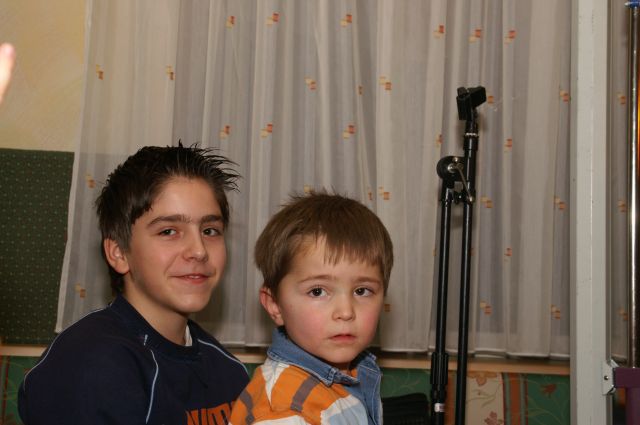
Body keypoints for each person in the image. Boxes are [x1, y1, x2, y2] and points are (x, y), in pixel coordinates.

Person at [18, 144, 250, 425]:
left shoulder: (229, 371)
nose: (199, 250)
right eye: (169, 231)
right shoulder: (88, 363)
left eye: (210, 230)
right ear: (119, 253)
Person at [230, 192, 394, 425]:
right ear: (275, 305)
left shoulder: (355, 371)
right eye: (317, 291)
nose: (346, 312)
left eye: (362, 291)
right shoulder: (284, 410)